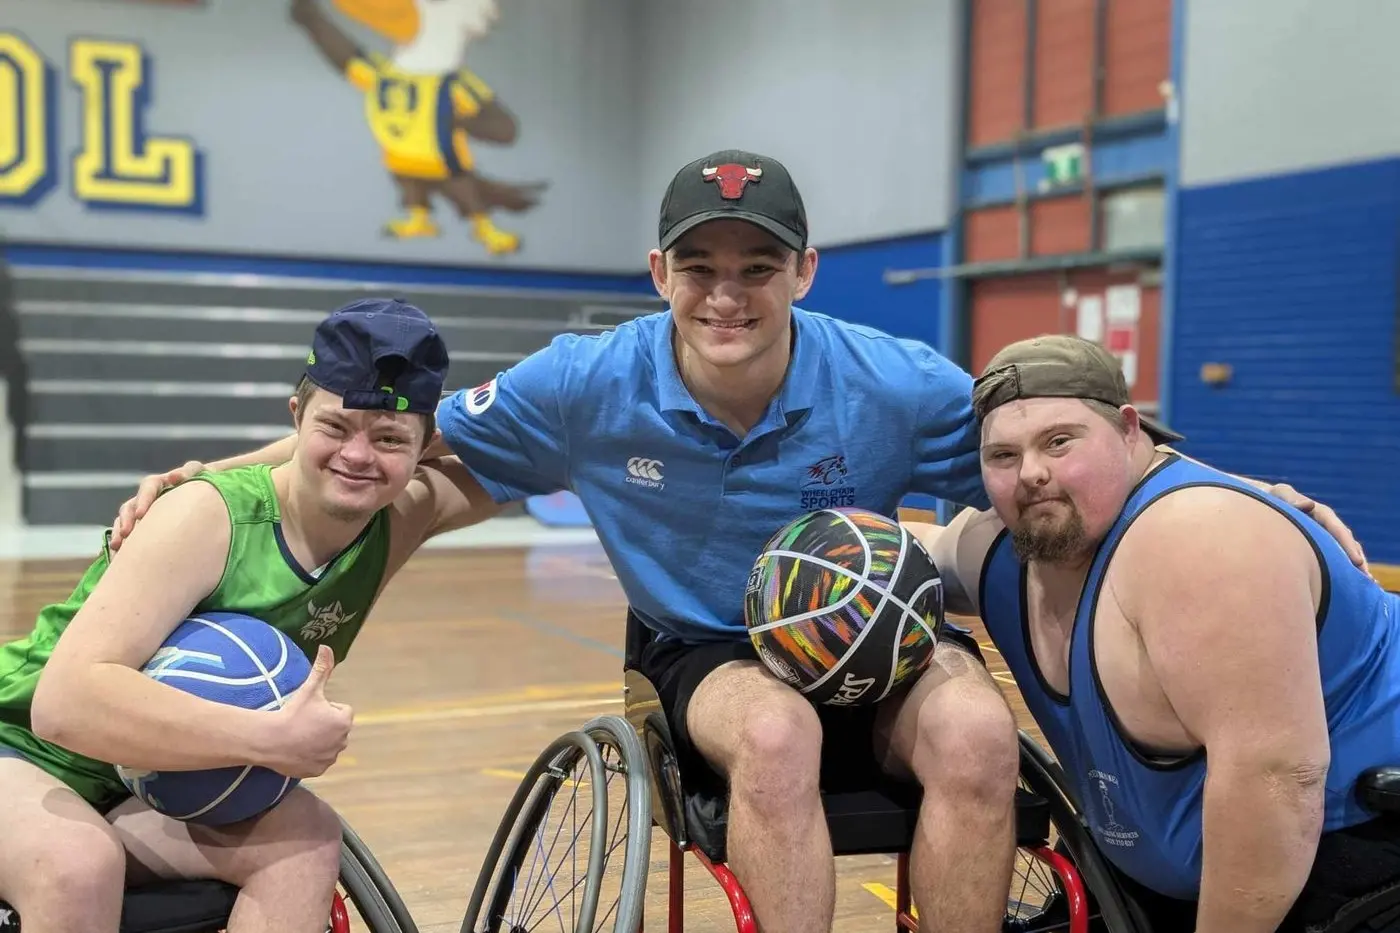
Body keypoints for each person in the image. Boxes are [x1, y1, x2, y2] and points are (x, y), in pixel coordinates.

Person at [107, 151, 1367, 932]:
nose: (726, 291)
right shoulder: (579, 382)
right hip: (707, 643)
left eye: (754, 264)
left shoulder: (899, 381)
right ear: (658, 270)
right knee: (773, 733)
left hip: (874, 634)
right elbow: (393, 449)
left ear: (802, 272)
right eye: (699, 264)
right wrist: (219, 479)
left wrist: (1244, 491)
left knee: (980, 733)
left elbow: (1070, 440)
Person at [0, 298, 499, 932]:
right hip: (22, 751)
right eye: (335, 427)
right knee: (76, 863)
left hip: (144, 783)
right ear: (296, 419)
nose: (358, 455)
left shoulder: (403, 516)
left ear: (426, 446)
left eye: (390, 439)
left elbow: (548, 452)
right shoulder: (206, 517)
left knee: (309, 837)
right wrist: (272, 740)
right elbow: (62, 706)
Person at [905, 333, 1400, 933]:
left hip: (1349, 860)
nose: (1032, 473)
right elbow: (905, 559)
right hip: (1166, 884)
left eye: (1060, 442)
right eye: (1003, 457)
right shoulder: (994, 550)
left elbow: (1277, 782)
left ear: (1129, 429)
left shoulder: (1200, 540)